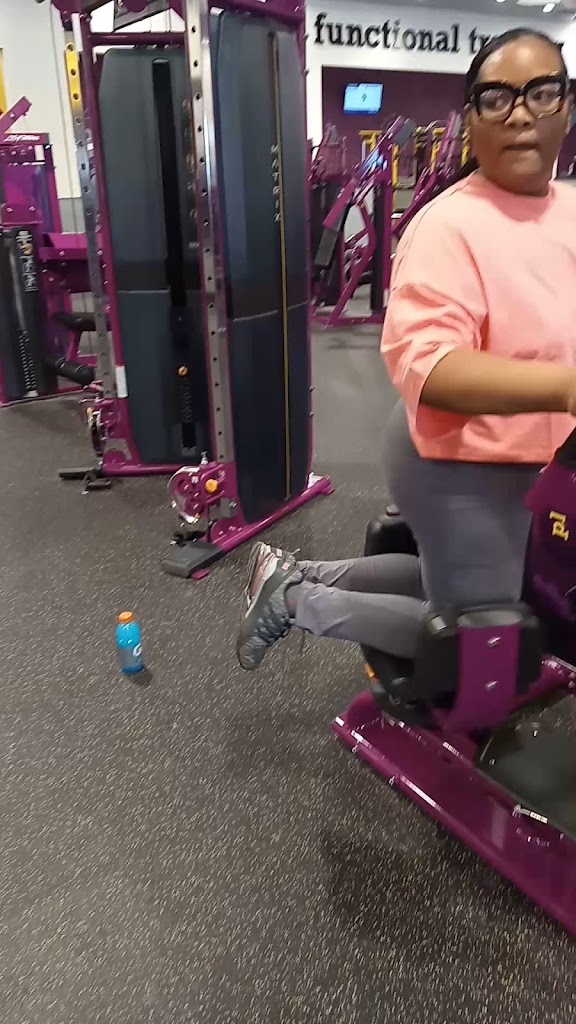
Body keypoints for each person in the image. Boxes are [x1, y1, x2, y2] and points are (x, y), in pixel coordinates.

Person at [236, 27, 576, 672]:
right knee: (482, 633)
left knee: (465, 581)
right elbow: (431, 366)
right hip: (457, 458)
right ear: (471, 118)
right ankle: (297, 601)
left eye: (542, 92)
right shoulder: (449, 225)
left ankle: (298, 573)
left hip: (535, 454)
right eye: (497, 98)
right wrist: (564, 386)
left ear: (567, 105)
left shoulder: (569, 208)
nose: (521, 113)